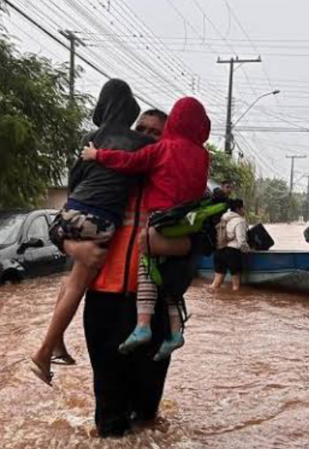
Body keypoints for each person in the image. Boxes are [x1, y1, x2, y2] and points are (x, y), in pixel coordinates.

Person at [30, 79, 154, 386]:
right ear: (131, 110)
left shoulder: (92, 138)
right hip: (99, 219)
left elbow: (76, 177)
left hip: (71, 210)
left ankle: (56, 343)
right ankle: (44, 352)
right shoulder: (143, 146)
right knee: (76, 286)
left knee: (70, 279)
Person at [83, 96, 211, 361]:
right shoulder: (106, 181)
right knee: (107, 398)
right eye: (140, 130)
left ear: (169, 131)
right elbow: (66, 225)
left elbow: (206, 243)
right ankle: (170, 333)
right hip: (104, 298)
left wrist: (181, 245)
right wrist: (74, 246)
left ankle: (149, 328)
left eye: (155, 132)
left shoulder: (160, 154)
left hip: (156, 303)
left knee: (147, 400)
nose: (146, 136)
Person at [211, 199, 249, 290]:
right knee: (236, 287)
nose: (244, 209)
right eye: (243, 208)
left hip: (219, 251)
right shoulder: (240, 221)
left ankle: (211, 301)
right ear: (238, 209)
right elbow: (241, 241)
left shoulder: (223, 218)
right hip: (232, 253)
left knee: (215, 285)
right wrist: (248, 250)